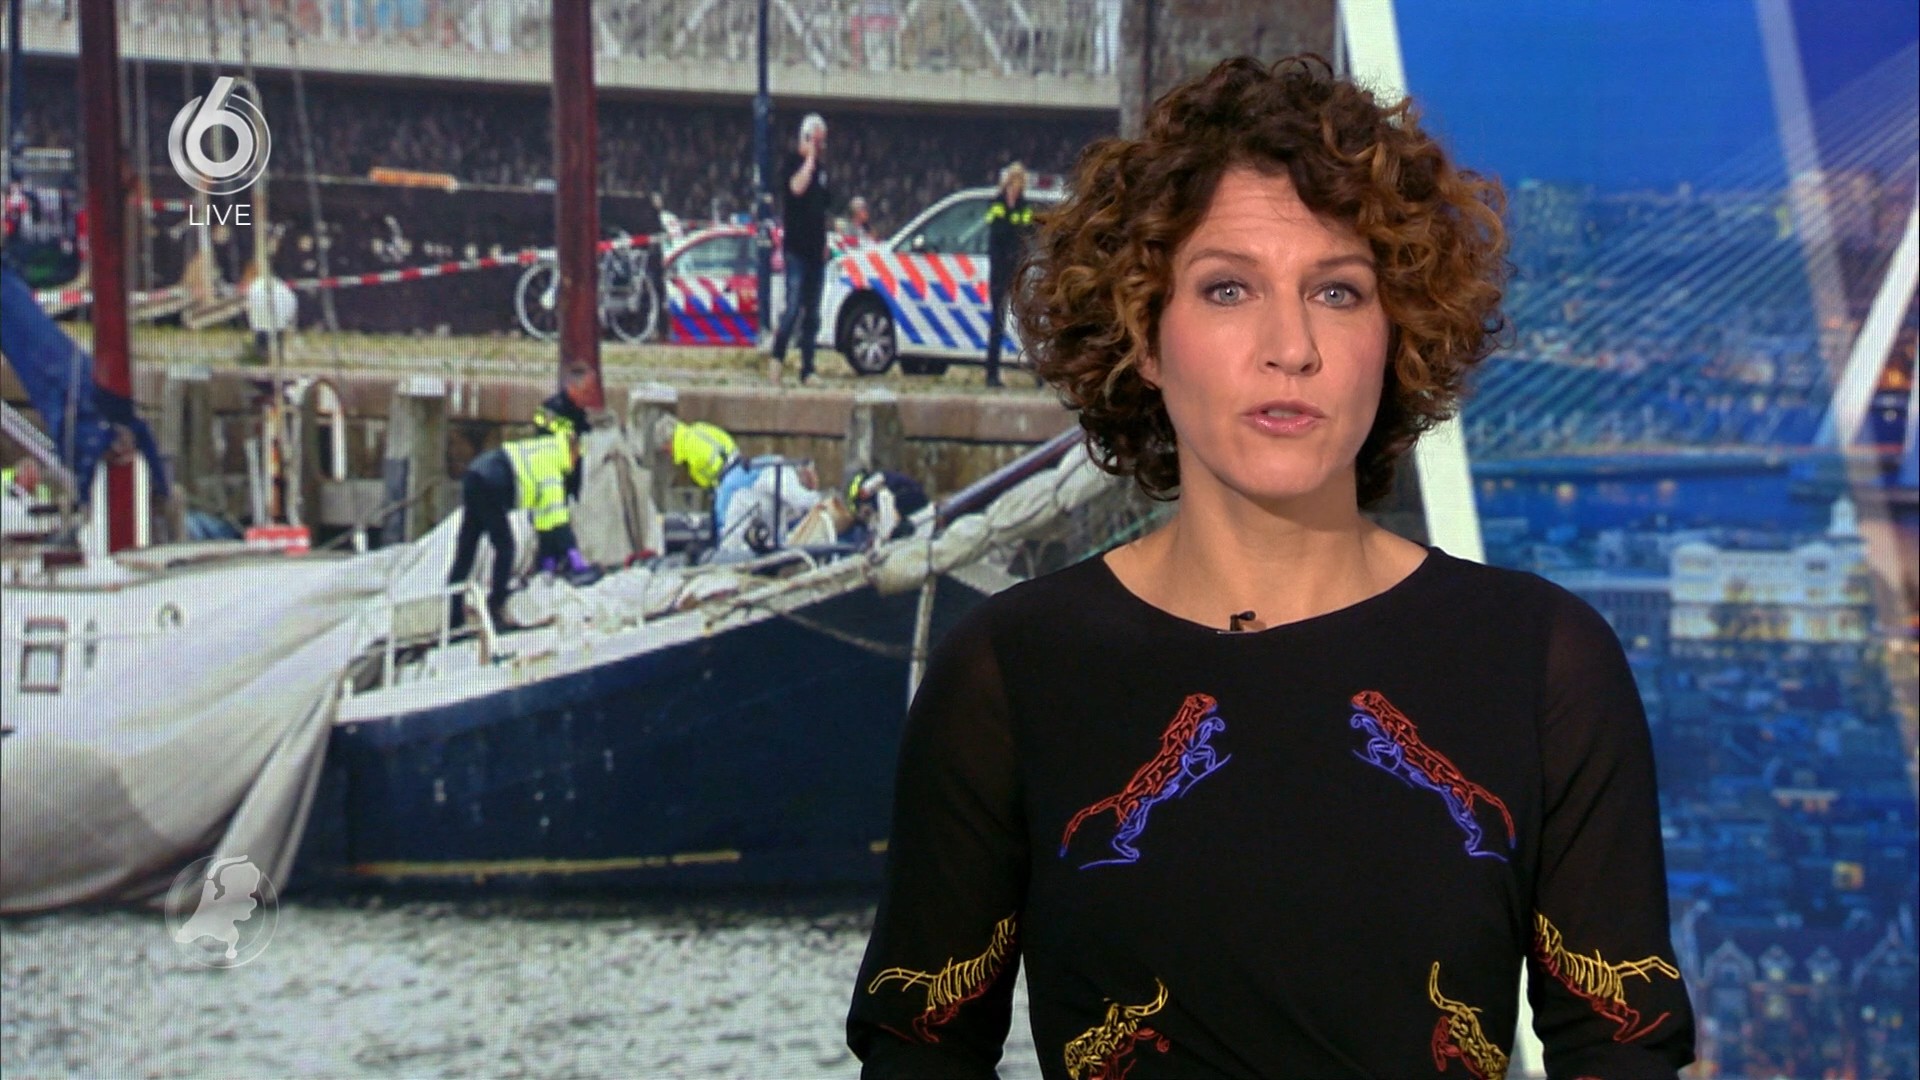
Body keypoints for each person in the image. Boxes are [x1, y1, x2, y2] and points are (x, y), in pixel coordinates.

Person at [847, 56, 1695, 1078]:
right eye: (1229, 288)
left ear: (1397, 333)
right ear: (1143, 334)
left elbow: (1623, 1050)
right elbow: (920, 1051)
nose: (1289, 346)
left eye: (1337, 291)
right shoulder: (1009, 674)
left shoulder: (1542, 663)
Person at [447, 394, 592, 631]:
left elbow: (544, 520)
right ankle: (496, 607)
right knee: (505, 547)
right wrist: (576, 559)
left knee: (467, 549)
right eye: (578, 456)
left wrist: (547, 560)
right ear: (572, 449)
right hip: (492, 484)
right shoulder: (552, 468)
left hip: (476, 474)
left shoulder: (546, 448)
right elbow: (557, 519)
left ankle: (453, 616)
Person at [769, 113, 833, 385]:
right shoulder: (793, 164)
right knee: (793, 307)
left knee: (813, 313)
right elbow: (796, 189)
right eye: (816, 141)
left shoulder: (822, 172)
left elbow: (823, 209)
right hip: (796, 249)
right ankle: (777, 357)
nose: (820, 147)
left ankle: (808, 368)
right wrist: (809, 160)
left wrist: (826, 241)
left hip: (815, 250)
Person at [981, 162, 1036, 388]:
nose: (1016, 187)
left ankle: (1036, 371)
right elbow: (997, 232)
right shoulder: (997, 203)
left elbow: (1028, 232)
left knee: (1026, 320)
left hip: (1016, 267)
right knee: (998, 321)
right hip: (999, 269)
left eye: (1019, 183)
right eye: (1013, 182)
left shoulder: (1023, 206)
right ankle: (991, 373)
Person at [843, 468, 929, 548]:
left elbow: (879, 483)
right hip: (912, 500)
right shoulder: (867, 493)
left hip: (910, 496)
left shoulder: (869, 489)